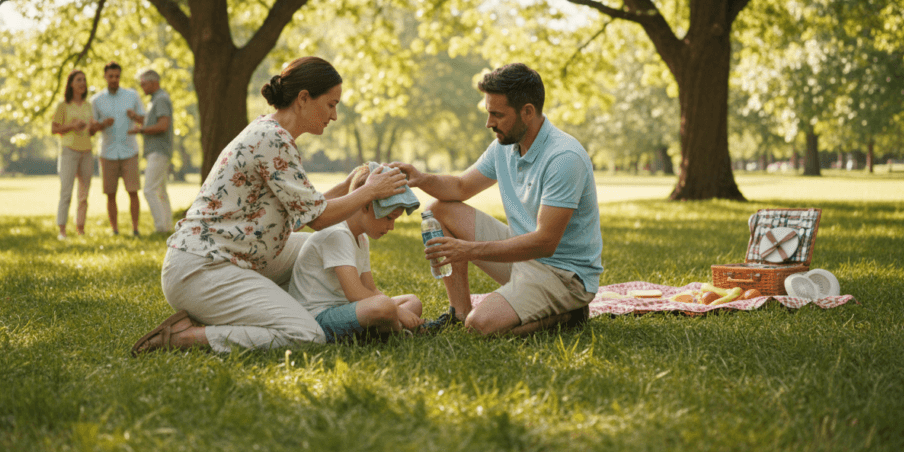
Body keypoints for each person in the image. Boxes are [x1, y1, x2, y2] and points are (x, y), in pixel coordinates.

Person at [131, 56, 407, 356]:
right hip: (201, 269)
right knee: (307, 336)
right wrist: (369, 192)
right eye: (330, 104)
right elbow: (320, 217)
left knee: (314, 245)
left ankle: (328, 309)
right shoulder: (272, 139)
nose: (335, 115)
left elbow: (305, 214)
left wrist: (350, 184)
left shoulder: (274, 134)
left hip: (230, 258)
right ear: (303, 99)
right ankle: (185, 337)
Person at [391, 63, 602, 336]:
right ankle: (460, 313)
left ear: (527, 112)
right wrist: (420, 178)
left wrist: (467, 250)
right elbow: (460, 187)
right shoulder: (505, 147)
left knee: (482, 326)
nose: (489, 123)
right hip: (523, 259)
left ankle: (568, 316)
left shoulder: (563, 158)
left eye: (497, 115)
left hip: (563, 275)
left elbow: (545, 242)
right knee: (440, 210)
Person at [288, 163, 424, 343]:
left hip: (344, 308)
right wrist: (396, 311)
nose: (391, 227)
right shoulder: (337, 233)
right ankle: (398, 334)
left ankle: (381, 330)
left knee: (412, 302)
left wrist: (395, 309)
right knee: (385, 306)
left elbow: (370, 288)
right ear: (365, 205)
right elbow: (355, 293)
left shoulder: (361, 238)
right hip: (317, 319)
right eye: (388, 218)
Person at [90, 61, 145, 236]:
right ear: (105, 77)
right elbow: (90, 130)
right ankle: (115, 230)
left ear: (120, 77)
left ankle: (135, 229)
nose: (114, 79)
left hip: (130, 151)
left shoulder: (132, 95)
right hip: (107, 152)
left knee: (133, 191)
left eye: (117, 76)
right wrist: (101, 124)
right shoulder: (96, 100)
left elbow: (144, 121)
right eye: (111, 76)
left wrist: (134, 116)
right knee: (110, 194)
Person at [50, 69, 95, 240]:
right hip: (69, 152)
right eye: (78, 80)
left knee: (84, 194)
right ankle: (62, 230)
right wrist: (72, 126)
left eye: (84, 80)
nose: (82, 83)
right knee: (66, 192)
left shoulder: (88, 105)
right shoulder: (63, 105)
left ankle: (80, 229)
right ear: (71, 84)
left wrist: (93, 126)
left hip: (87, 151)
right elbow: (54, 129)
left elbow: (90, 131)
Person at [128, 68, 174, 234]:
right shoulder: (156, 100)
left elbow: (163, 125)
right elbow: (154, 121)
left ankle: (161, 227)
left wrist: (139, 131)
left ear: (154, 83)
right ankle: (167, 226)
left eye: (144, 84)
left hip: (159, 151)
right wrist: (136, 118)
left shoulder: (160, 99)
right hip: (159, 151)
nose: (142, 87)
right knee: (160, 190)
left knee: (149, 189)